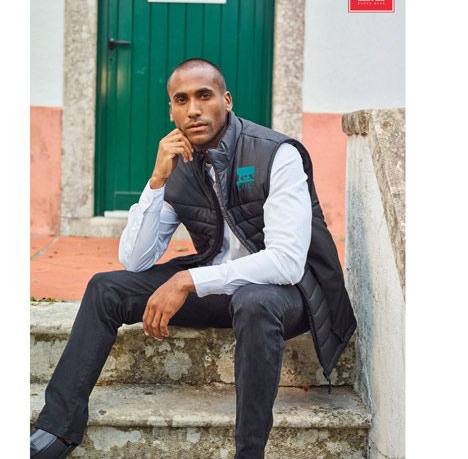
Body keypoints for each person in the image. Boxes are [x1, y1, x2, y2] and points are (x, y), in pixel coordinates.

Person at [30, 58, 356, 459]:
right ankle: (56, 430)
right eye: (181, 100)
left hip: (291, 293)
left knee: (254, 301)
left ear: (227, 100)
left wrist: (188, 280)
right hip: (222, 289)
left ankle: (249, 453)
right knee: (105, 288)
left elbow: (287, 262)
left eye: (204, 96)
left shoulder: (277, 154)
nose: (194, 110)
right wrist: (156, 182)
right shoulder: (180, 165)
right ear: (171, 110)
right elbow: (135, 259)